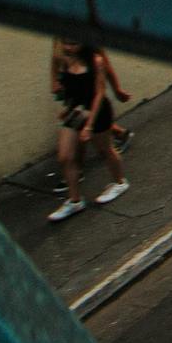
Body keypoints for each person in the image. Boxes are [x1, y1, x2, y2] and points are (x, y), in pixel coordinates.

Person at [47, 39, 129, 221]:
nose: (68, 47)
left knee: (105, 149)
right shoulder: (64, 60)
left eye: (74, 43)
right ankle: (75, 200)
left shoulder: (96, 61)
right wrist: (66, 106)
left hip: (97, 111)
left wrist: (89, 126)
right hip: (77, 110)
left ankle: (120, 182)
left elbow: (99, 94)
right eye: (66, 43)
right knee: (65, 156)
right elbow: (65, 84)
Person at [52, 37, 132, 151]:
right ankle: (118, 134)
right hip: (72, 81)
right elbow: (55, 54)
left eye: (73, 43)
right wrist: (54, 80)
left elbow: (106, 64)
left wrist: (117, 90)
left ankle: (118, 134)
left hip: (87, 85)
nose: (67, 47)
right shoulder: (60, 29)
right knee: (76, 113)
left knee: (84, 112)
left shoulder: (90, 38)